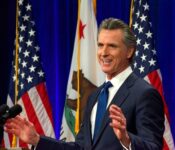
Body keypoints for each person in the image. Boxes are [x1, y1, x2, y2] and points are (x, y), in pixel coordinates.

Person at [4, 18, 164, 150]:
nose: (103, 52)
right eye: (101, 45)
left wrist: (127, 139)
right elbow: (81, 148)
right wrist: (37, 139)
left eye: (112, 46)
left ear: (129, 51)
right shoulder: (96, 95)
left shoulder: (144, 93)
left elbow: (153, 147)